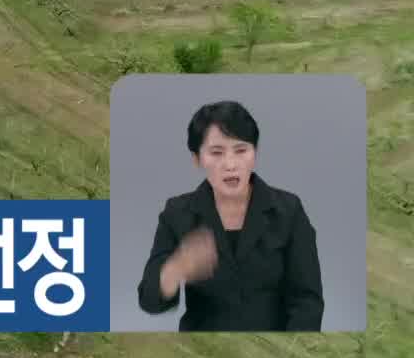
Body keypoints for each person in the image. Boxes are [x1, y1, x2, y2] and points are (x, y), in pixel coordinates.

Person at [137, 100, 323, 331]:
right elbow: (149, 301)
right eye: (216, 153)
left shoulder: (288, 210)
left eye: (241, 150)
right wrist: (176, 268)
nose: (230, 164)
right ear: (197, 159)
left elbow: (307, 302)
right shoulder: (177, 213)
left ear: (255, 154)